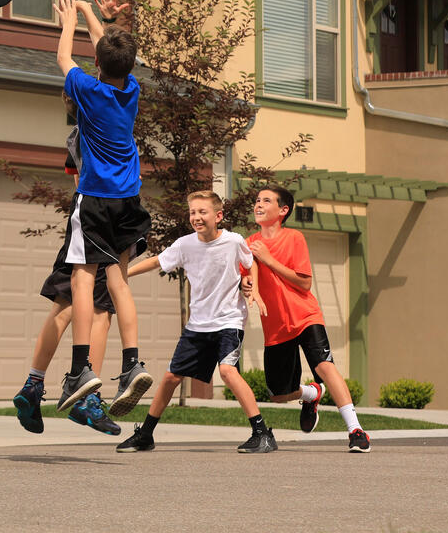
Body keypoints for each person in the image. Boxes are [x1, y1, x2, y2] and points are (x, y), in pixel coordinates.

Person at [51, 0, 153, 418]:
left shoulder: (87, 91)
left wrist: (68, 22)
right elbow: (110, 52)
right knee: (120, 283)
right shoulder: (131, 89)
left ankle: (81, 369)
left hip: (96, 198)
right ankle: (131, 365)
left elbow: (63, 60)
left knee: (81, 276)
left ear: (98, 63)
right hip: (130, 199)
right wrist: (92, 14)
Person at [115, 190, 277, 454]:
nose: (196, 217)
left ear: (218, 216)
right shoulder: (185, 244)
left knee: (227, 371)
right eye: (192, 212)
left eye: (203, 212)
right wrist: (122, 274)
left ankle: (262, 433)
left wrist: (254, 289)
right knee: (170, 378)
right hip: (198, 325)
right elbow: (158, 260)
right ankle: (145, 435)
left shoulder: (234, 241)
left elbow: (252, 263)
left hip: (228, 321)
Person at [12, 91, 120, 437]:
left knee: (64, 306)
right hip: (103, 220)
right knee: (101, 311)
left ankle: (33, 384)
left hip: (80, 216)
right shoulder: (108, 131)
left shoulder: (74, 136)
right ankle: (87, 399)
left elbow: (76, 181)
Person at [244, 184, 371, 453]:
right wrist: (247, 286)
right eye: (257, 200)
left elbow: (304, 283)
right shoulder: (250, 243)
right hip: (276, 327)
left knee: (325, 366)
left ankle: (355, 430)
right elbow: (247, 276)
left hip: (305, 316)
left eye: (266, 200)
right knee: (278, 394)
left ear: (283, 210)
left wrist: (268, 259)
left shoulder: (294, 238)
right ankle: (312, 394)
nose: (258, 204)